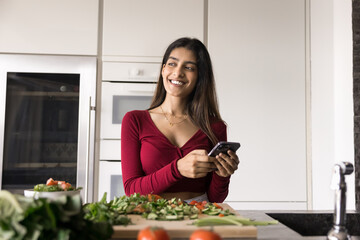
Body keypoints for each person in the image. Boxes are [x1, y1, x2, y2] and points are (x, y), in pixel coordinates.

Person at [121, 37, 239, 203]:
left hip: (198, 213)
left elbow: (215, 198)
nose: (177, 72)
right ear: (163, 70)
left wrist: (222, 176)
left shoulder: (215, 127)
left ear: (200, 76)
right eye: (172, 64)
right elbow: (131, 189)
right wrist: (177, 169)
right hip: (149, 213)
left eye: (189, 67)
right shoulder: (134, 120)